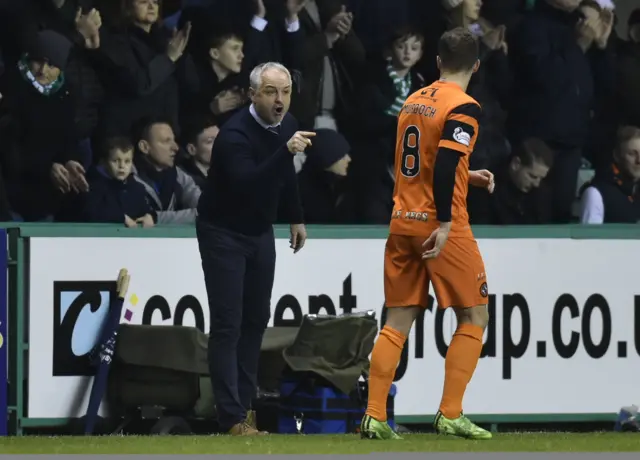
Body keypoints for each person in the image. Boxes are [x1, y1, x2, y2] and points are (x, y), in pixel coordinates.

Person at [360, 27, 496, 441]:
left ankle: (374, 417)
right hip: (440, 226)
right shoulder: (465, 106)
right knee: (475, 314)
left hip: (402, 218)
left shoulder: (414, 99)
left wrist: (465, 175)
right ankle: (450, 413)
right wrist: (444, 222)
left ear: (437, 62)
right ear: (475, 66)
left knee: (398, 319)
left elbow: (420, 159)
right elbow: (442, 164)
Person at [196, 62, 311, 436]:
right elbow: (249, 183)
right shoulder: (233, 136)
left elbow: (285, 178)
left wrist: (295, 218)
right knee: (228, 324)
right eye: (271, 92)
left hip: (259, 230)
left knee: (255, 320)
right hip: (223, 231)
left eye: (286, 92)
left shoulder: (288, 126)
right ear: (252, 94)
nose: (280, 101)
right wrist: (284, 152)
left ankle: (245, 410)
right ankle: (230, 418)